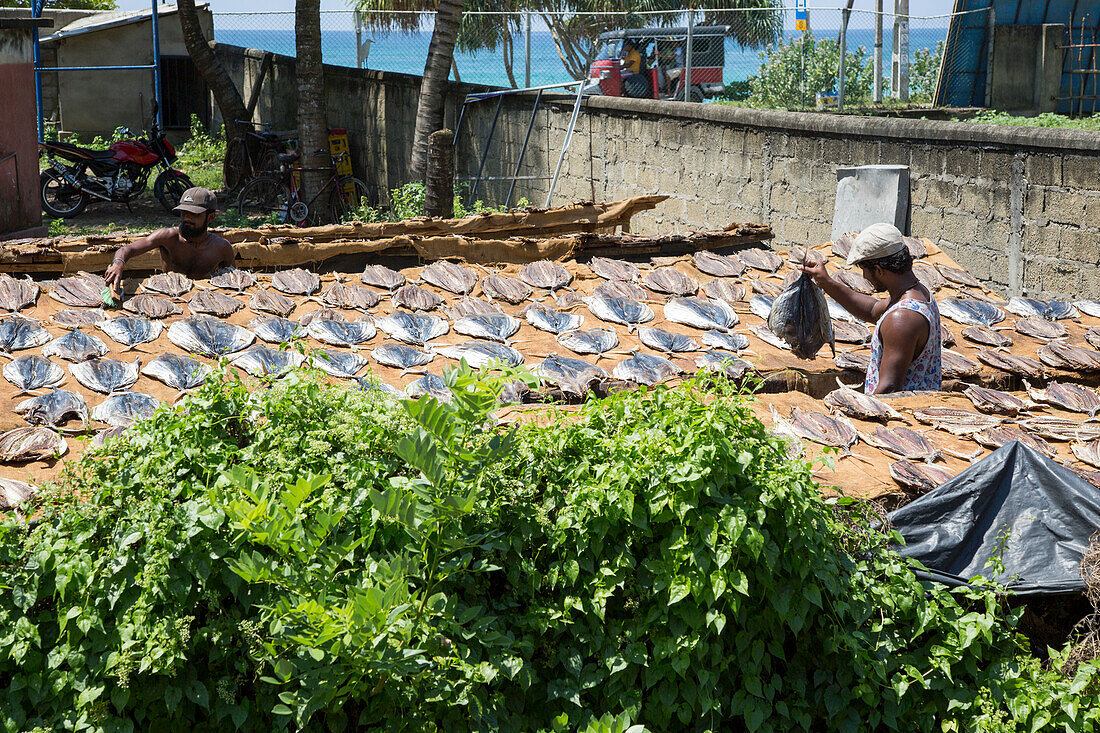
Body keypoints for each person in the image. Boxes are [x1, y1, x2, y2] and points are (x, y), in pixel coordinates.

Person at [800, 222, 941, 394]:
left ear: (879, 270)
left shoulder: (902, 318)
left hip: (898, 413)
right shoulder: (918, 292)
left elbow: (888, 388)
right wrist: (826, 282)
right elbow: (873, 309)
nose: (865, 277)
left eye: (864, 270)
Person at [104, 187, 235, 298]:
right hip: (167, 295)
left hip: (204, 298)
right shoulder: (168, 237)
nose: (187, 218)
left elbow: (233, 280)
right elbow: (127, 249)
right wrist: (118, 263)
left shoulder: (222, 248)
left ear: (210, 217)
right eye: (184, 213)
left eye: (194, 214)